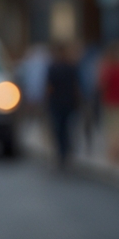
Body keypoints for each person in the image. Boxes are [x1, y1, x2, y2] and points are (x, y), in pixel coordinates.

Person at [46, 39, 81, 168]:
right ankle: (66, 151)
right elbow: (76, 87)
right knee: (66, 128)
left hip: (57, 103)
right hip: (68, 102)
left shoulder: (53, 67)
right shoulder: (71, 67)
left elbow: (49, 87)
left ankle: (61, 152)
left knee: (59, 129)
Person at [98, 38, 119, 166]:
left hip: (112, 101)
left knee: (114, 129)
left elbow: (102, 85)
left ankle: (114, 154)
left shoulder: (109, 67)